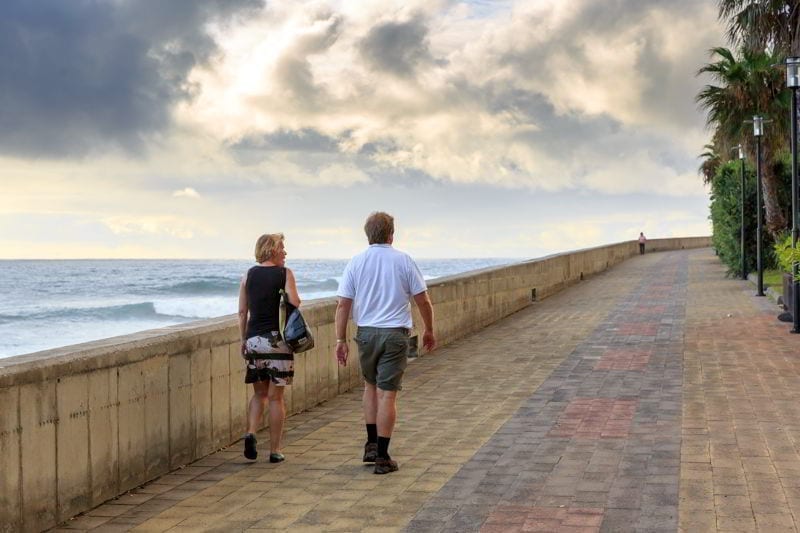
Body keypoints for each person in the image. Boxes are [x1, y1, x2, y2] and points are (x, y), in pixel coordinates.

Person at [334, 212, 436, 474]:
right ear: (391, 234)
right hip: (395, 334)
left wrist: (340, 339)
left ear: (368, 234)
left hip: (366, 333)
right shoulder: (403, 261)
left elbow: (343, 304)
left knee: (369, 388)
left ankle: (370, 444)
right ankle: (382, 456)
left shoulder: (356, 262)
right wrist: (429, 330)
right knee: (387, 394)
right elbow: (422, 300)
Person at [238, 233, 301, 463]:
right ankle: (275, 451)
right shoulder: (285, 273)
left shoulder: (248, 274)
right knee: (276, 398)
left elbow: (242, 312)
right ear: (272, 250)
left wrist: (243, 339)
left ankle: (251, 432)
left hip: (254, 341)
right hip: (277, 342)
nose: (285, 252)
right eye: (282, 248)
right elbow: (295, 302)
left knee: (259, 393)